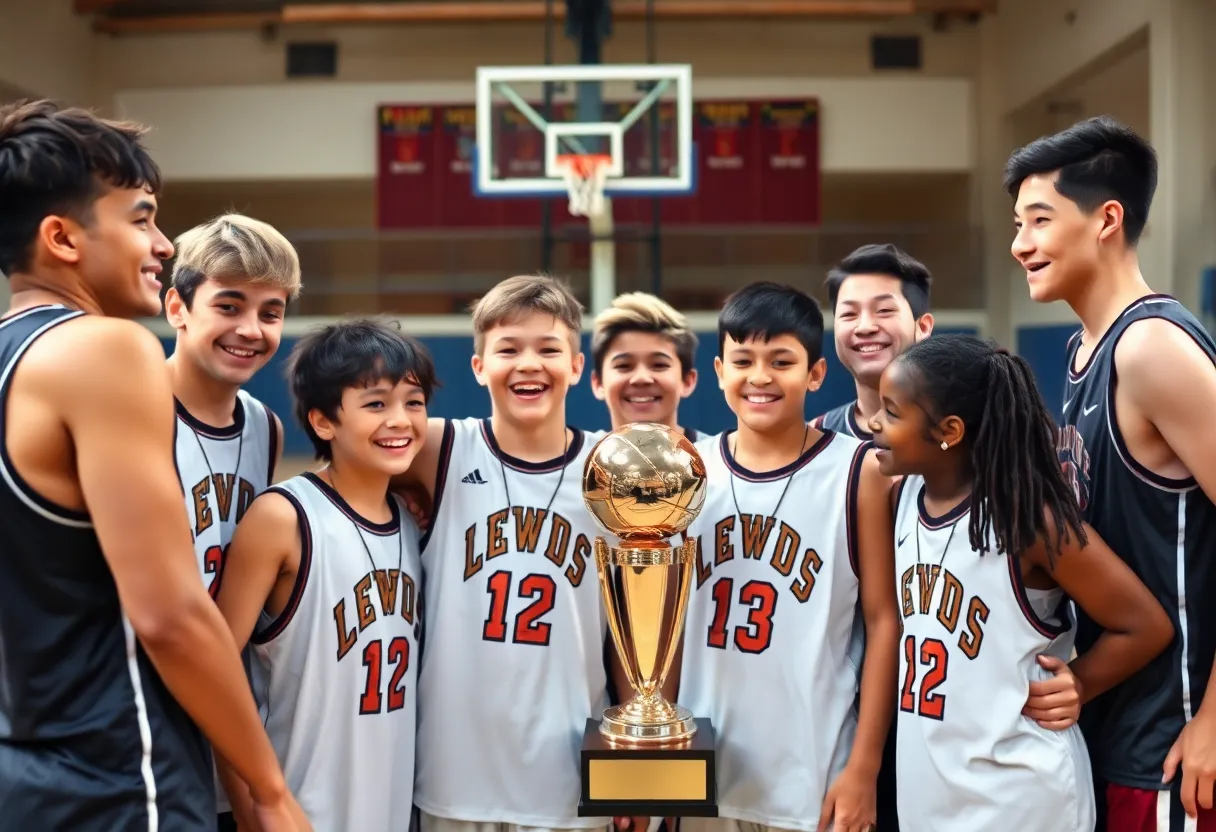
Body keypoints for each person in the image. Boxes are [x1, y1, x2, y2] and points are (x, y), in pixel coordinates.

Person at [0, 100, 307, 830]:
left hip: (27, 767)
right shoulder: (106, 349)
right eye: (140, 218)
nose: (163, 242)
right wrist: (269, 790)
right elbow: (168, 615)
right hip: (117, 770)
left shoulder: (14, 358)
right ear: (62, 238)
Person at [866, 333, 1174, 831]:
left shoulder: (1026, 520)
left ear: (949, 430)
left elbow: (1144, 625)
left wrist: (1081, 683)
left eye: (892, 412)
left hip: (1023, 792)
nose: (875, 423)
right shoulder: (901, 499)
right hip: (932, 787)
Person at [1006, 115, 1216, 827]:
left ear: (1107, 220)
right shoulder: (1080, 351)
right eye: (1016, 223)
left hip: (1175, 750)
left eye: (1038, 220)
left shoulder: (1151, 347)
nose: (1020, 244)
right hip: (1119, 732)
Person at [391, 274, 637, 832]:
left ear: (577, 367)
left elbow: (632, 632)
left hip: (569, 780)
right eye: (508, 348)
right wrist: (401, 495)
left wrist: (634, 752)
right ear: (478, 367)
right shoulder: (437, 447)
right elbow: (350, 466)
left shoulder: (613, 468)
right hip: (454, 779)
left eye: (549, 349)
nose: (529, 363)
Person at [677, 282, 899, 832]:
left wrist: (864, 768)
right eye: (743, 360)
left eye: (782, 361)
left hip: (816, 773)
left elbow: (883, 621)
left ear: (816, 374)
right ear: (719, 370)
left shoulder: (859, 471)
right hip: (702, 773)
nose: (760, 377)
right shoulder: (687, 471)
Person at [213, 319, 432, 830]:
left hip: (391, 810)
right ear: (324, 422)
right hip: (297, 808)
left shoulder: (410, 522)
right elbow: (216, 675)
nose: (400, 420)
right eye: (376, 404)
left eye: (413, 402)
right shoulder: (283, 517)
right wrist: (251, 812)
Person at [165, 213, 298, 598]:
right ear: (177, 308)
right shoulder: (131, 409)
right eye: (228, 307)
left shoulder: (265, 427)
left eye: (270, 314)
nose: (252, 330)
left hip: (228, 653)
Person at [813, 243, 934, 441]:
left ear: (923, 327)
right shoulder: (815, 439)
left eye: (884, 310)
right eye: (849, 314)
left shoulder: (959, 432)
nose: (865, 327)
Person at [590, 291, 700, 438]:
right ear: (598, 383)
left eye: (659, 365)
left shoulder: (713, 458)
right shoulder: (581, 459)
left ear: (687, 381)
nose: (641, 378)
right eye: (623, 366)